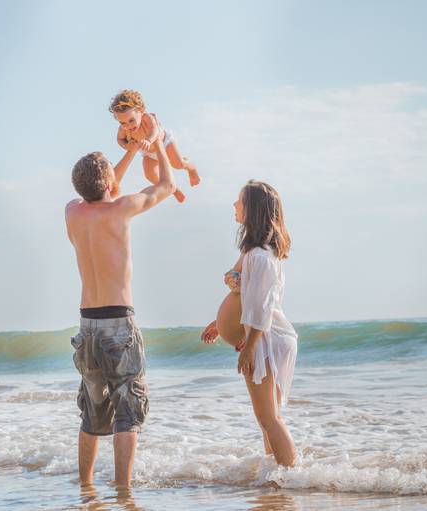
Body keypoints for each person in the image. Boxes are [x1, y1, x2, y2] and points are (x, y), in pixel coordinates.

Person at [65, 136, 176, 487]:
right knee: (128, 412)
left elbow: (106, 187)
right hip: (118, 324)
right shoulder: (121, 208)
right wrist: (157, 144)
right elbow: (167, 184)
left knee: (93, 412)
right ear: (111, 184)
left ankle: (86, 486)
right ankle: (123, 491)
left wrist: (129, 151)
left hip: (87, 325)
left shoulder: (72, 212)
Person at [200, 180, 298, 467]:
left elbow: (262, 305)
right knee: (268, 418)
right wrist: (220, 322)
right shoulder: (252, 252)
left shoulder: (260, 257)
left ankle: (290, 475)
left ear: (252, 209)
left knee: (268, 417)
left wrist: (250, 346)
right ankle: (276, 473)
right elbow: (246, 295)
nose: (234, 205)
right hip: (262, 337)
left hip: (266, 339)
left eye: (239, 200)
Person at [109, 89, 200, 203]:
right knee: (149, 175)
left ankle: (191, 168)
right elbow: (119, 140)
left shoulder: (147, 118)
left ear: (141, 111)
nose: (128, 125)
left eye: (131, 120)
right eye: (122, 122)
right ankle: (173, 190)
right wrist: (127, 146)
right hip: (148, 152)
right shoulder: (123, 129)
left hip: (164, 143)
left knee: (178, 164)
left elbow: (154, 130)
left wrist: (148, 140)